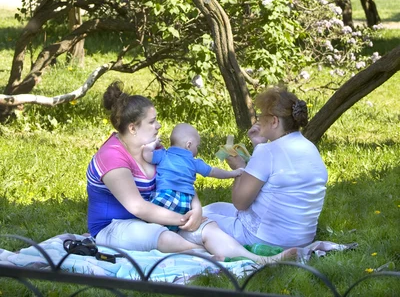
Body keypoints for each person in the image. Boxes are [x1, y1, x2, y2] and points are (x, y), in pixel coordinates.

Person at [86, 81, 297, 263]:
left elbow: (181, 180)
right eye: (152, 122)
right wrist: (181, 220)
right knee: (156, 234)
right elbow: (138, 208)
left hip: (160, 216)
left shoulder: (156, 149)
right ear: (132, 128)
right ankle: (206, 255)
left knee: (208, 226)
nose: (158, 125)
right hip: (115, 226)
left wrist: (195, 210)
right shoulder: (113, 157)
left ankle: (260, 260)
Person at [203, 87, 328, 249]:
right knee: (212, 208)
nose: (258, 119)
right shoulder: (309, 147)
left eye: (261, 115)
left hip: (266, 239)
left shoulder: (268, 152)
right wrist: (258, 145)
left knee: (194, 219)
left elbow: (240, 203)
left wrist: (239, 169)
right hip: (301, 239)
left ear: (274, 121)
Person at [142, 123, 242, 230]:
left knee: (153, 224)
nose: (197, 150)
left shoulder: (163, 155)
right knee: (178, 227)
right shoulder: (194, 163)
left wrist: (154, 143)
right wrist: (233, 173)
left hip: (165, 196)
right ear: (188, 145)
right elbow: (213, 172)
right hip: (185, 202)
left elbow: (146, 154)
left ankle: (158, 237)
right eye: (197, 146)